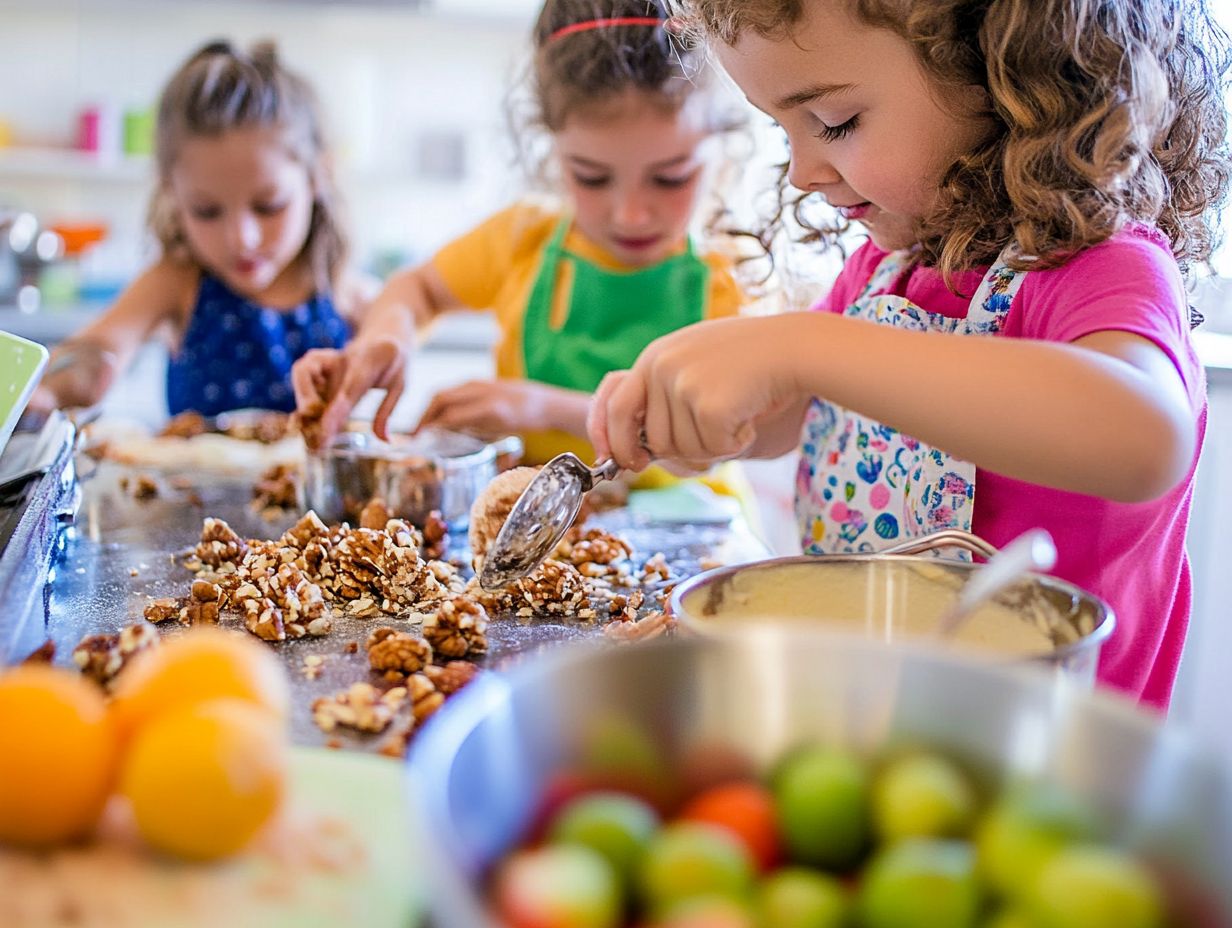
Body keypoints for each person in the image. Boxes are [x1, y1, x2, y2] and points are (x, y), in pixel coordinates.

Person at [589, 0, 1230, 710]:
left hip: (1045, 770)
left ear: (999, 70)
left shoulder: (1099, 269)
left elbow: (1143, 438)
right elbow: (785, 418)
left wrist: (802, 345)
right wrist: (699, 421)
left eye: (834, 122)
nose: (801, 170)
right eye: (782, 129)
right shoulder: (882, 274)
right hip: (870, 734)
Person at [291, 0, 747, 474]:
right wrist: (387, 334)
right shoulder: (524, 237)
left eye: (671, 178)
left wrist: (539, 408)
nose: (631, 215)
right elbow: (418, 289)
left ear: (723, 147)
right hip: (531, 526)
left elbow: (706, 445)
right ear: (551, 149)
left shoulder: (731, 277)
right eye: (591, 177)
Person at [28, 40, 371, 419]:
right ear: (172, 193)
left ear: (318, 176)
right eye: (206, 211)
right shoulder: (178, 281)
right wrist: (55, 386)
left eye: (268, 206)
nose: (242, 238)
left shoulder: (348, 296)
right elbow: (99, 348)